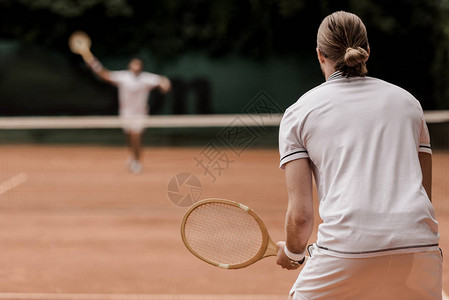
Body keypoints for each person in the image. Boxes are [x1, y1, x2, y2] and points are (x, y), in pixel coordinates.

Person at [276, 11, 441, 300]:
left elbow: (301, 217)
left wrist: (293, 252)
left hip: (345, 251)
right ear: (367, 51)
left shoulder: (299, 113)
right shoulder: (409, 104)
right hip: (419, 247)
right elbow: (423, 194)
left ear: (319, 55)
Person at [86, 56, 171, 173]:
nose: (135, 67)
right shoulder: (123, 77)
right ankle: (132, 155)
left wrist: (165, 84)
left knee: (136, 137)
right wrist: (94, 64)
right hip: (125, 114)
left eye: (138, 65)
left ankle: (137, 162)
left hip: (140, 114)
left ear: (141, 67)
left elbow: (162, 80)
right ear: (129, 66)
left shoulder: (146, 78)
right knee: (130, 138)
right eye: (133, 64)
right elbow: (105, 75)